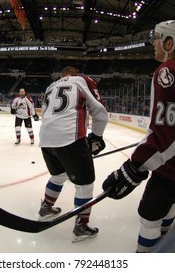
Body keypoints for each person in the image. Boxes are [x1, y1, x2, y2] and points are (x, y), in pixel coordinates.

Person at [102, 20, 175, 252]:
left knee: (148, 218)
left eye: (158, 38)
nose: (153, 43)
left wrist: (134, 166)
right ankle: (165, 241)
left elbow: (165, 135)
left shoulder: (168, 71)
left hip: (173, 166)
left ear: (170, 43)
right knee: (169, 206)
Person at [38, 66, 108, 242]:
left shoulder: (50, 87)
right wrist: (96, 137)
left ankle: (46, 208)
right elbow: (100, 113)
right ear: (75, 75)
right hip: (70, 138)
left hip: (46, 139)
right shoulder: (81, 80)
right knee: (84, 185)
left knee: (58, 175)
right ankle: (81, 226)